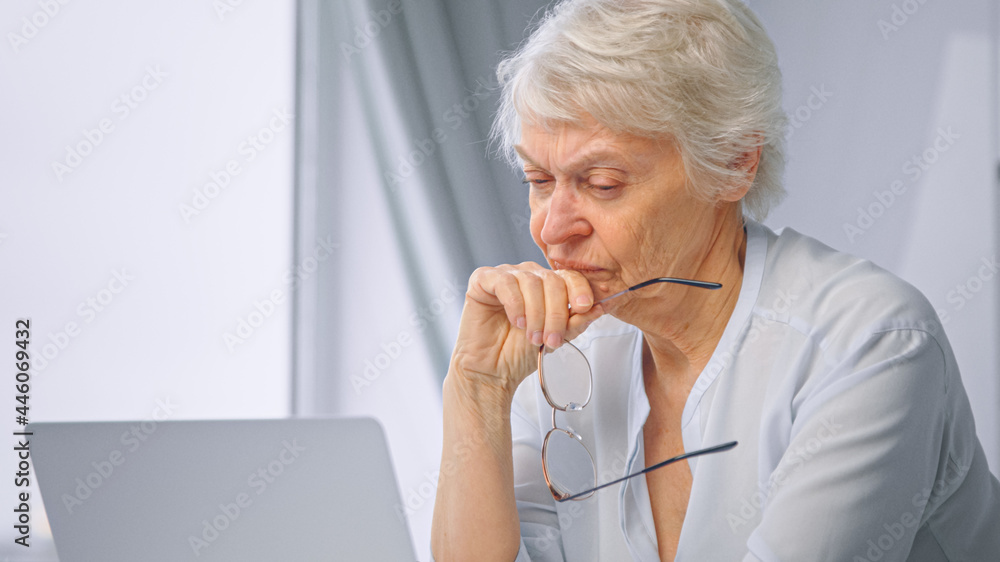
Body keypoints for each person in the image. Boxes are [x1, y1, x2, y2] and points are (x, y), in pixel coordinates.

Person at [430, 0, 1000, 560]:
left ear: (733, 163)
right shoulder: (561, 349)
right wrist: (476, 387)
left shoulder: (870, 344)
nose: (551, 230)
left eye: (603, 183)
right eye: (539, 179)